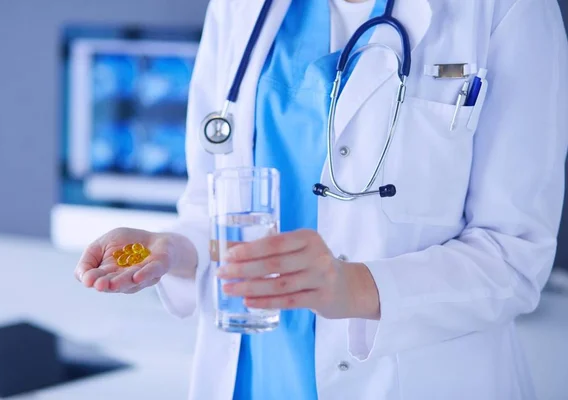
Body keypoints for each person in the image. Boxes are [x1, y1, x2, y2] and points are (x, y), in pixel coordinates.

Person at [74, 0, 568, 399]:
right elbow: (212, 207)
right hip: (250, 375)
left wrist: (351, 287)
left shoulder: (510, 10)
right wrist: (172, 250)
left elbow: (515, 257)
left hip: (411, 380)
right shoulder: (238, 10)